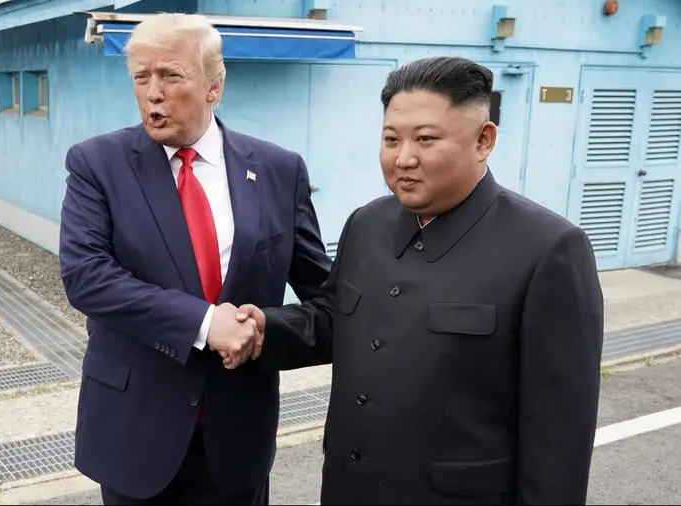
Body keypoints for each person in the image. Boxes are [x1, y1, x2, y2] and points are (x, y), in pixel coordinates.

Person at [235, 56, 604, 505]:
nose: (403, 158)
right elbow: (337, 319)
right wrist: (262, 330)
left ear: (484, 140)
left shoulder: (548, 249)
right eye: (391, 139)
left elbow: (559, 433)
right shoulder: (367, 223)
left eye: (426, 139)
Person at [58, 12, 331, 505]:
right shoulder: (96, 164)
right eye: (141, 78)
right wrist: (206, 323)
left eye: (170, 76)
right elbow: (87, 277)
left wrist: (264, 330)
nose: (152, 93)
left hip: (237, 436)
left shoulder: (277, 169)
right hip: (133, 432)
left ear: (214, 86)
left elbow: (323, 294)